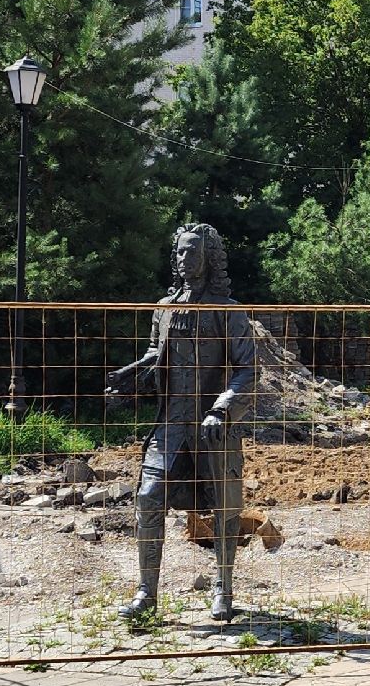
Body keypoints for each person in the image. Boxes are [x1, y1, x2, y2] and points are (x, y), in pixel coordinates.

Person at [104, 223, 256, 622]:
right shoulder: (165, 307)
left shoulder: (229, 311)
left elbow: (247, 370)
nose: (182, 259)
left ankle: (223, 588)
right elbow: (157, 355)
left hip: (213, 426)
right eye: (179, 252)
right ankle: (145, 593)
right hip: (170, 424)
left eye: (191, 252)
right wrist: (130, 376)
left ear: (210, 257)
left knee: (224, 507)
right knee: (147, 497)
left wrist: (222, 409)